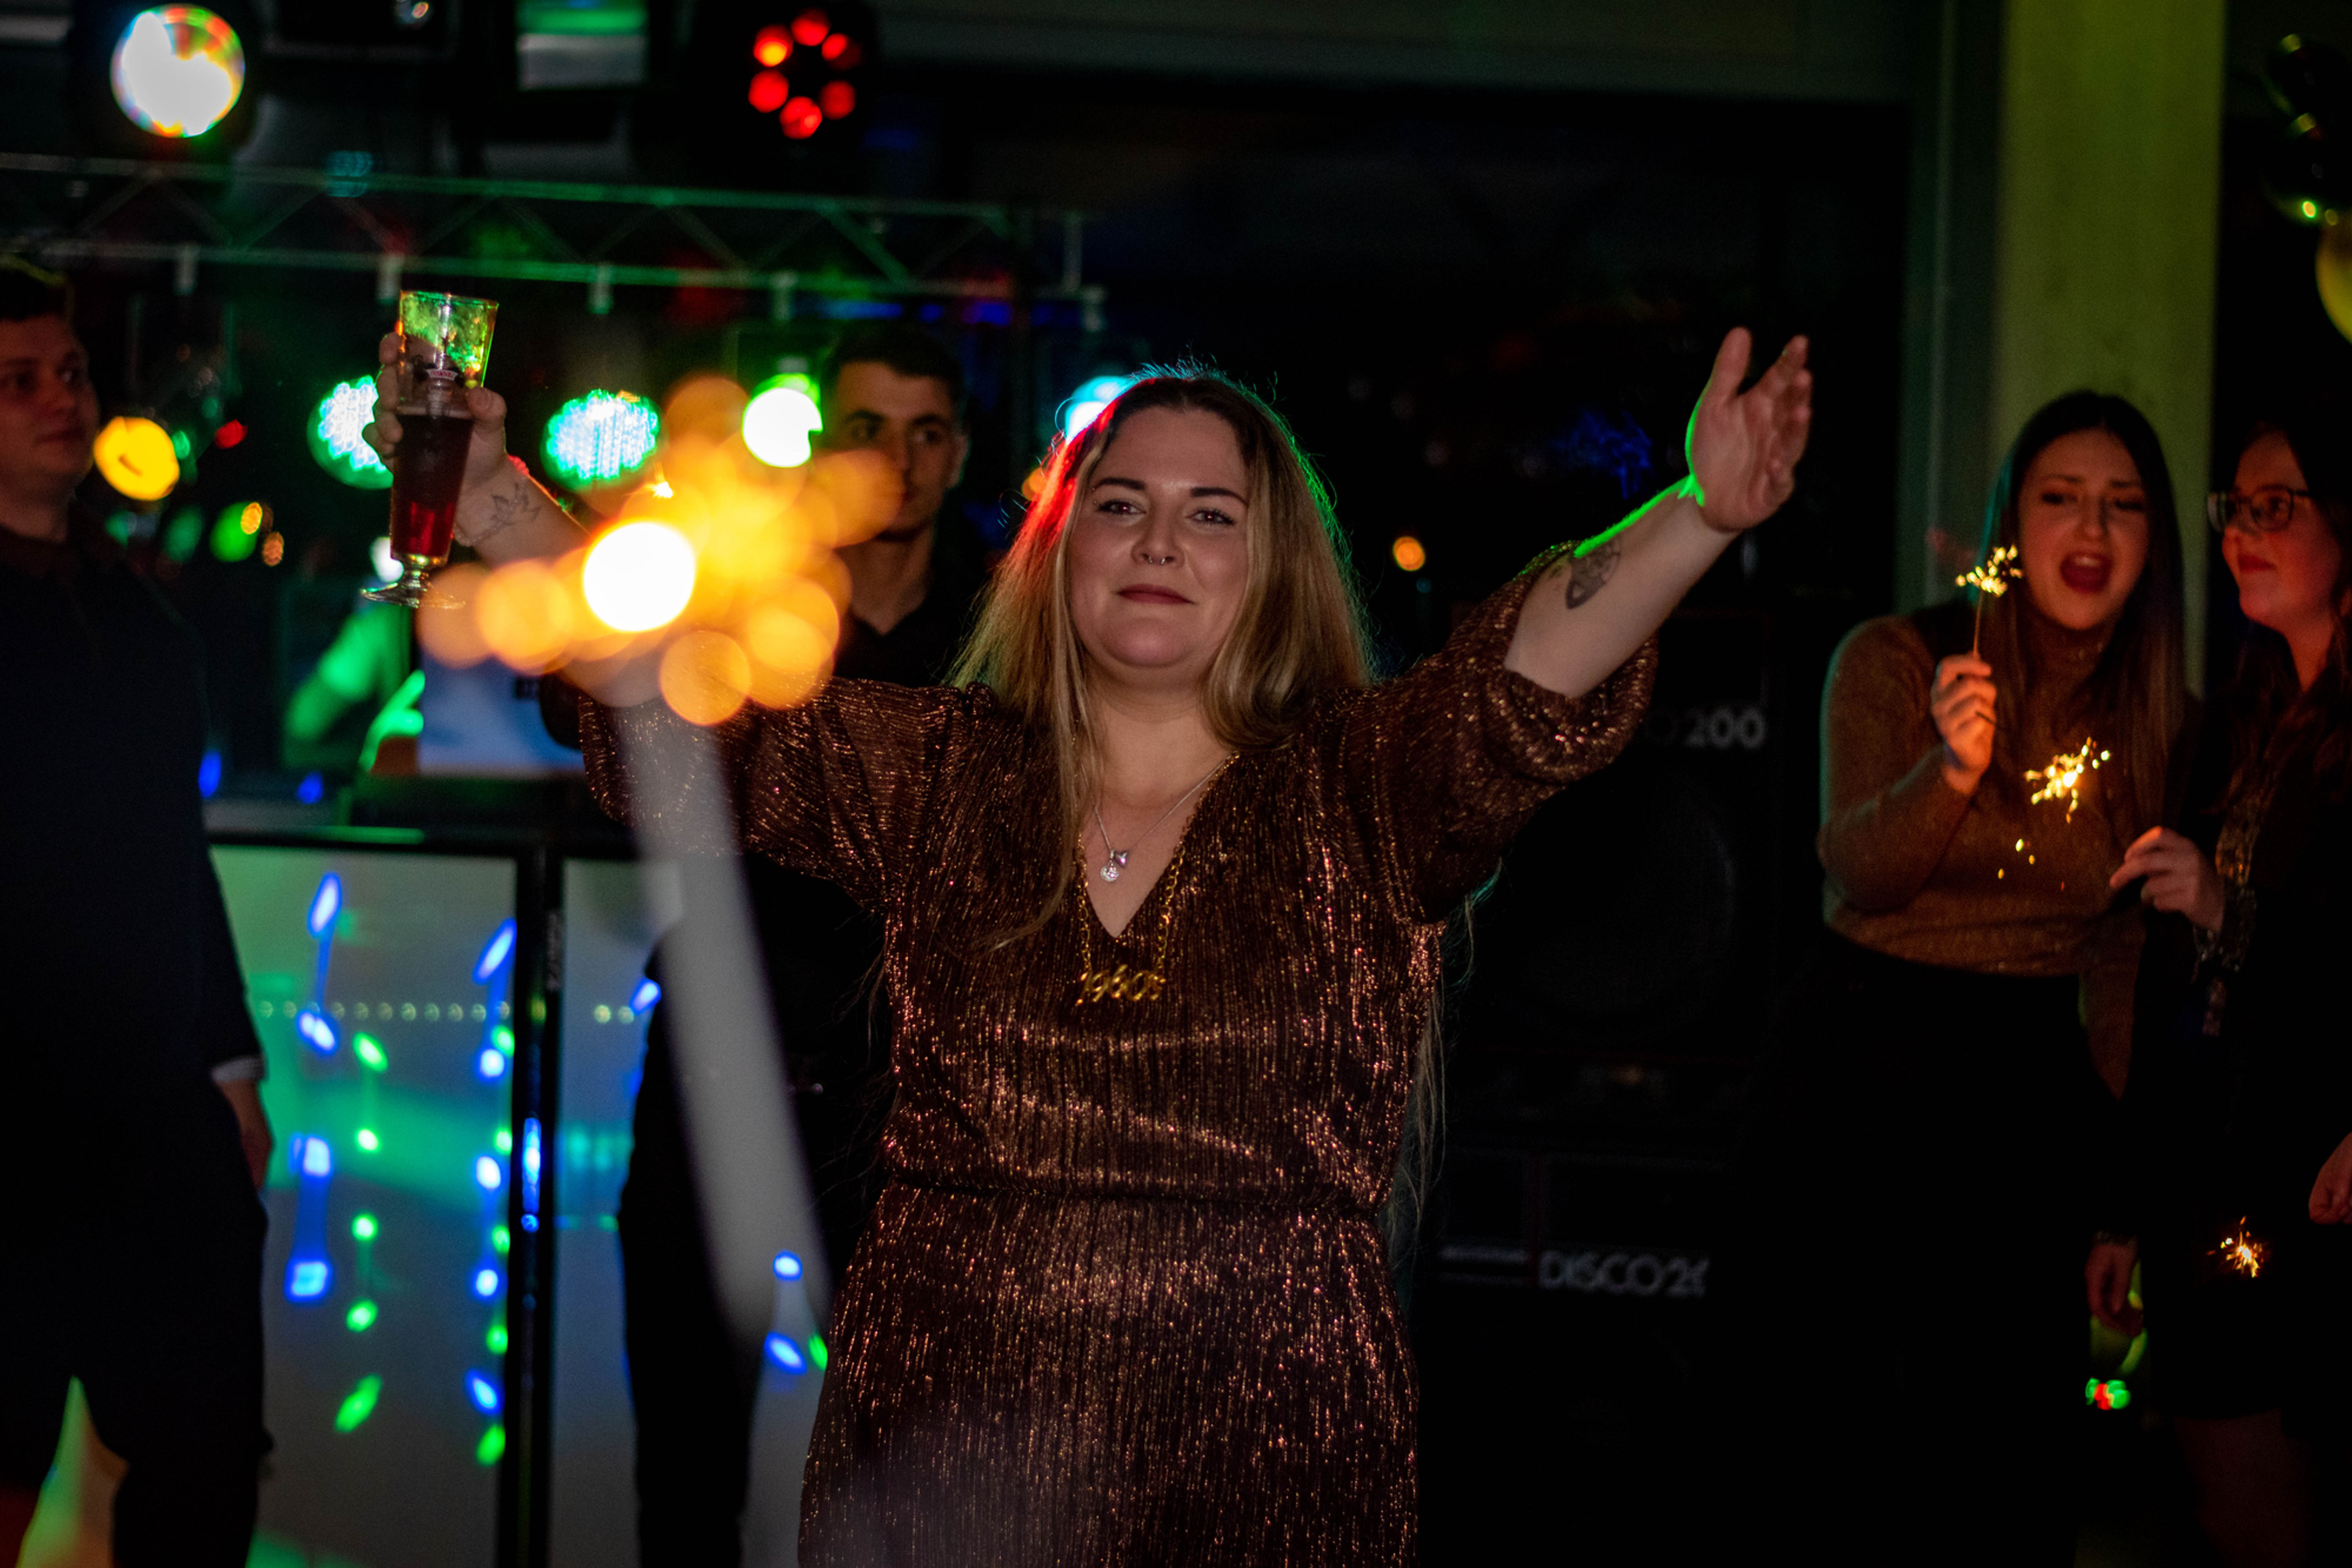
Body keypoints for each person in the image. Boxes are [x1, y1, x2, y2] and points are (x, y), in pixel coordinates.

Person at [371, 318, 1809, 1561]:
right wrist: (493, 498)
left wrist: (1698, 511)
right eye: (1121, 505)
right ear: (1062, 552)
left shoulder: (1362, 791)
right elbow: (676, 688)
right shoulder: (943, 774)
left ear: (1273, 566)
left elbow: (1525, 671)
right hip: (948, 1447)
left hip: (1267, 1446)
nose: (1159, 542)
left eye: (1210, 514)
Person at [535, 323, 986, 1564]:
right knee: (686, 1476)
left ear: (958, 452)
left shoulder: (1003, 626)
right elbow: (585, 698)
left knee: (907, 1482)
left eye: (927, 432)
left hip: (906, 1100)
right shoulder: (752, 595)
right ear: (821, 444)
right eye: (868, 428)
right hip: (719, 1071)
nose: (898, 460)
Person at [1733, 391, 2190, 1564]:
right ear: (2011, 522)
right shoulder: (1897, 659)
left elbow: (2125, 965)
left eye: (2125, 505)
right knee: (1828, 1446)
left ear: (2156, 540)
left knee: (2003, 1460)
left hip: (2024, 1090)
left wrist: (2121, 1202)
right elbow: (1861, 873)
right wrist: (1950, 768)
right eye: (2060, 498)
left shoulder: (2164, 724)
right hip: (1855, 1063)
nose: (2092, 530)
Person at [0, 258, 272, 1565]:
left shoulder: (144, 623)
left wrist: (231, 1068)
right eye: (20, 381)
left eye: (72, 371)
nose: (64, 398)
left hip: (148, 1106)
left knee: (204, 1452)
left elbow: (177, 855)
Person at [2091, 406, 2352, 1568]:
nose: (2244, 532)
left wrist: (2224, 910)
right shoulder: (2246, 720)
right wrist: (2125, 1205)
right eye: (2234, 510)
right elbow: (2168, 993)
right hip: (2208, 1174)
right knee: (2221, 1502)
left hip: (2306, 1181)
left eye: (2277, 507)